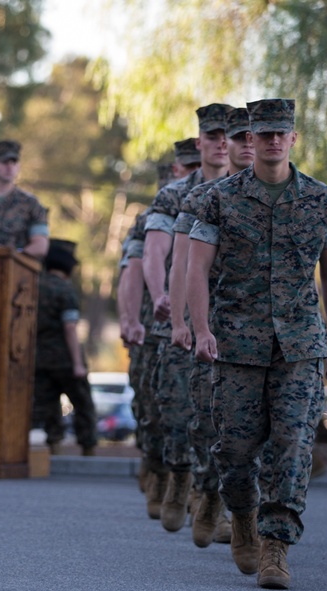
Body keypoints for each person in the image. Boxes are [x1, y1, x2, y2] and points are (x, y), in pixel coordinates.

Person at [187, 99, 327, 590]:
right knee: (234, 449)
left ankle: (276, 545)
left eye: (283, 133)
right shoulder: (218, 199)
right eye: (265, 133)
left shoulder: (321, 200)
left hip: (300, 344)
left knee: (293, 445)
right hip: (236, 343)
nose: (275, 140)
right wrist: (201, 329)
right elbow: (196, 268)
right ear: (249, 141)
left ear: (294, 139)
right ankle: (242, 515)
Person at [169, 105, 254, 546]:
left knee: (263, 431)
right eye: (228, 137)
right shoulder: (201, 198)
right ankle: (208, 496)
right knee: (212, 420)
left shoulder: (293, 194)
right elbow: (183, 263)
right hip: (216, 325)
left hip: (270, 332)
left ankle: (246, 519)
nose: (234, 144)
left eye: (242, 136)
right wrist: (185, 322)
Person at [142, 104, 229, 531]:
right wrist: (161, 296)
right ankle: (178, 477)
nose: (219, 143)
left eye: (226, 135)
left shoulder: (246, 191)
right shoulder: (177, 194)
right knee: (177, 412)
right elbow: (158, 250)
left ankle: (220, 501)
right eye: (211, 135)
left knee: (229, 419)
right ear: (200, 142)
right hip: (177, 319)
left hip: (232, 322)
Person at [118, 139, 199, 510]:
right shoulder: (153, 215)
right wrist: (130, 319)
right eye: (185, 165)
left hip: (206, 319)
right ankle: (157, 466)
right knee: (156, 406)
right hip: (159, 323)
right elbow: (133, 270)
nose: (188, 170)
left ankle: (203, 493)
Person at [32, 240, 97, 456]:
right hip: (65, 359)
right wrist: (78, 363)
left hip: (39, 359)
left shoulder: (34, 286)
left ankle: (54, 446)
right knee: (82, 402)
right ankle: (88, 448)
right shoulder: (65, 290)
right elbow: (70, 328)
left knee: (48, 404)